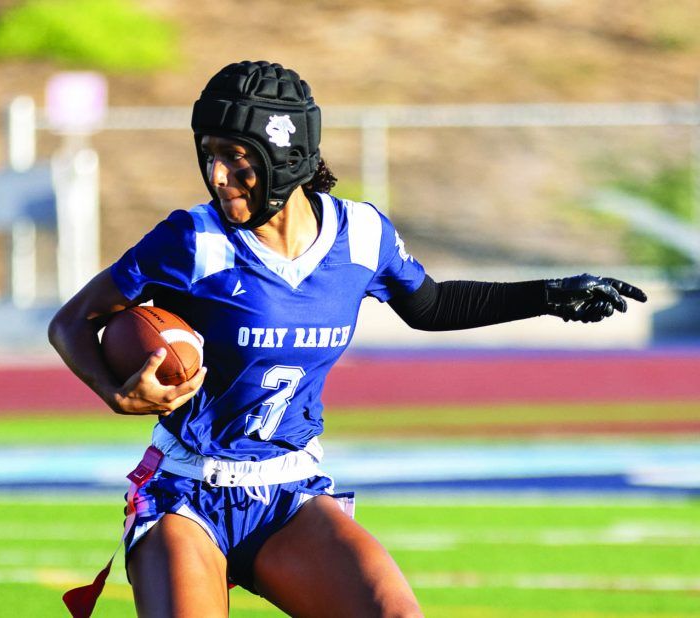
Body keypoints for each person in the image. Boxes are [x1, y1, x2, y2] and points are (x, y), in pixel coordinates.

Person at [48, 60, 648, 618]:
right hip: (186, 491)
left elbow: (431, 306)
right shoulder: (191, 240)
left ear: (284, 155)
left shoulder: (361, 235)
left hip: (289, 494)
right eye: (207, 156)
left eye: (236, 157)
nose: (217, 176)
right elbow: (72, 321)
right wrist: (114, 391)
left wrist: (545, 295)